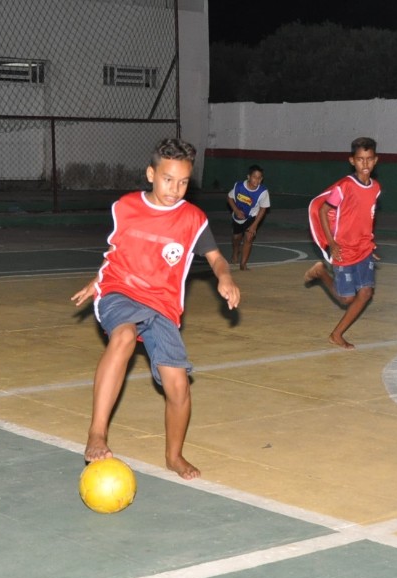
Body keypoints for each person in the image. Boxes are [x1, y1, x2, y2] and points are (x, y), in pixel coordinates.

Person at [71, 138, 240, 480]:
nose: (175, 189)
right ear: (151, 174)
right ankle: (97, 433)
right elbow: (117, 253)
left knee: (178, 385)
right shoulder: (126, 207)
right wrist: (97, 281)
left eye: (183, 182)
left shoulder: (193, 220)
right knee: (123, 335)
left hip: (162, 305)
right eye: (168, 179)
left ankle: (174, 456)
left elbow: (216, 258)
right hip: (120, 292)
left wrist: (225, 278)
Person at [304, 136, 381, 349]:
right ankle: (320, 272)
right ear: (352, 161)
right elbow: (323, 211)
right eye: (360, 159)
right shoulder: (344, 187)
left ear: (375, 160)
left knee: (366, 292)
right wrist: (332, 243)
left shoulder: (376, 188)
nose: (364, 164)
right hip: (344, 249)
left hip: (364, 248)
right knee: (346, 299)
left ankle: (336, 334)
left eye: (369, 159)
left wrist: (370, 243)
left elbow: (368, 217)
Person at [227, 164, 270, 269]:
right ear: (248, 177)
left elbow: (263, 209)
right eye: (255, 177)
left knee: (249, 238)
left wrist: (254, 225)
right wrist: (236, 210)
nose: (257, 180)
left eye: (260, 178)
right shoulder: (239, 186)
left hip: (252, 217)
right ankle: (236, 251)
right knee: (236, 238)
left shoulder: (263, 192)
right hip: (238, 217)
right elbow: (229, 197)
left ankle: (243, 264)